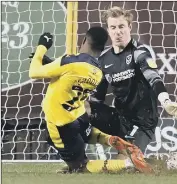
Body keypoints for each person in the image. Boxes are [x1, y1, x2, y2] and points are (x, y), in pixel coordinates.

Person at [29, 26, 153, 174]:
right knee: (84, 136)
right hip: (79, 118)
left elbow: (34, 72)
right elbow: (69, 76)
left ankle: (128, 163)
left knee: (81, 167)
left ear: (84, 40)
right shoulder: (98, 72)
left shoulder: (69, 61)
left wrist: (42, 46)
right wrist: (51, 63)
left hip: (61, 124)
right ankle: (109, 140)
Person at [87, 6, 177, 157]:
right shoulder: (103, 60)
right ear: (108, 30)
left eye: (121, 26)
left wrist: (166, 102)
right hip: (119, 118)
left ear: (129, 27)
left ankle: (165, 163)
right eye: (113, 27)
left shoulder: (139, 53)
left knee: (127, 163)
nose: (118, 31)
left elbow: (154, 78)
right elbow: (97, 98)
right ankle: (76, 162)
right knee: (80, 113)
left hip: (142, 121)